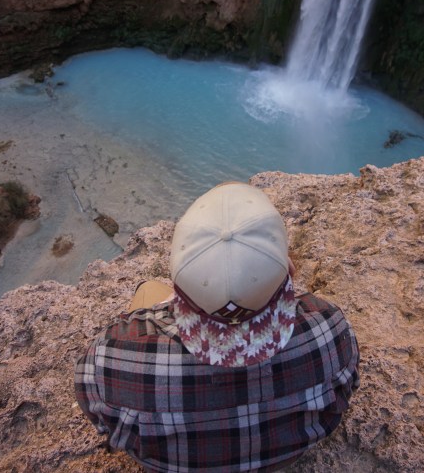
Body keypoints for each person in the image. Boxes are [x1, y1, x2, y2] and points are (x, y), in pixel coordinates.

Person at [75, 182, 360, 472]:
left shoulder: (110, 360)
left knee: (147, 289)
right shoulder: (330, 330)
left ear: (177, 282)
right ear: (289, 269)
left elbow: (102, 420)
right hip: (283, 458)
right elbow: (342, 394)